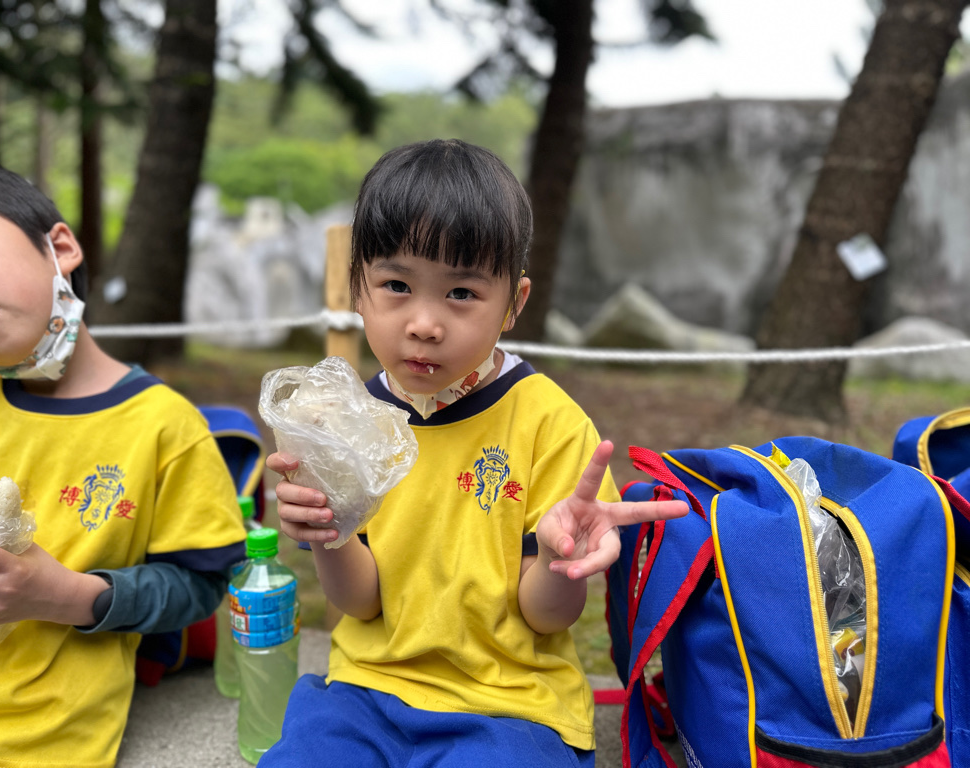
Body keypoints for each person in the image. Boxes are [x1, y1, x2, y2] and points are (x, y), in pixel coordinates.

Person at [261, 139, 688, 768]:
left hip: (507, 706)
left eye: (461, 293)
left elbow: (545, 618)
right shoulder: (345, 422)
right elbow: (361, 603)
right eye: (397, 285)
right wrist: (331, 531)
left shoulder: (549, 423)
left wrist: (559, 559)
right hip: (367, 692)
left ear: (514, 303)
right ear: (357, 288)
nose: (424, 323)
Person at [0, 161, 247, 768]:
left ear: (60, 248)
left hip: (26, 734)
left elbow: (200, 584)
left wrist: (68, 596)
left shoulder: (164, 427)